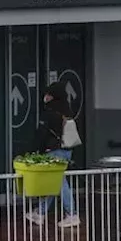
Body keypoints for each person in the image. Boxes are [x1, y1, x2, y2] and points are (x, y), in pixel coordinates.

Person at [25, 82, 80, 228]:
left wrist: (33, 150)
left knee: (59, 182)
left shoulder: (50, 112)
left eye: (48, 94)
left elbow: (42, 134)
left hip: (54, 151)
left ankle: (72, 214)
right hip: (67, 150)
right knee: (53, 182)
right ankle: (41, 213)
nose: (45, 97)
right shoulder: (66, 111)